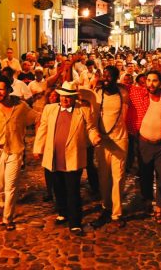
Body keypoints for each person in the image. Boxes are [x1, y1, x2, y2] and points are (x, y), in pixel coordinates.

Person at [33, 81, 101, 236]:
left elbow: (90, 128)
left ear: (74, 97)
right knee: (58, 187)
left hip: (73, 156)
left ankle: (75, 222)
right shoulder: (50, 109)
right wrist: (38, 148)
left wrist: (95, 137)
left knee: (73, 190)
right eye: (62, 96)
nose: (64, 100)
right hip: (54, 156)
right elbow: (43, 128)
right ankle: (63, 212)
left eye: (68, 97)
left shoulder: (82, 110)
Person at [0, 76, 40, 230]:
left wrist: (40, 142)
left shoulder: (21, 107)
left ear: (9, 90)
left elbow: (37, 118)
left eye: (1, 89)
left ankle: (7, 218)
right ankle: (3, 203)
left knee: (11, 185)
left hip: (15, 151)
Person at [127, 70, 161, 224]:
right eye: (148, 80)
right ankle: (147, 200)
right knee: (145, 175)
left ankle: (159, 208)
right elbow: (125, 86)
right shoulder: (140, 94)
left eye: (155, 80)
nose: (151, 84)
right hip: (144, 143)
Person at [92, 66, 129, 228]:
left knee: (119, 176)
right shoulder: (97, 95)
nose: (105, 78)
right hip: (103, 142)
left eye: (109, 76)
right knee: (104, 177)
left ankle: (117, 212)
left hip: (120, 140)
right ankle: (106, 206)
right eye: (104, 75)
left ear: (116, 78)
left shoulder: (124, 93)